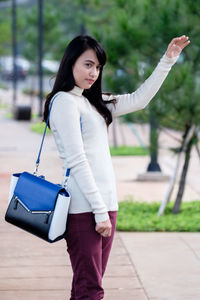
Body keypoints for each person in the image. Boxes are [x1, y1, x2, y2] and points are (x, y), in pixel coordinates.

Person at [43, 34, 190, 300]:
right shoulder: (64, 102)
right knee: (91, 289)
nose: (94, 73)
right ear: (70, 62)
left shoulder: (92, 103)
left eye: (98, 67)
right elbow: (77, 160)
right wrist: (99, 212)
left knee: (86, 286)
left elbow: (139, 99)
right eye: (88, 64)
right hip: (84, 209)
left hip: (105, 206)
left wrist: (167, 60)